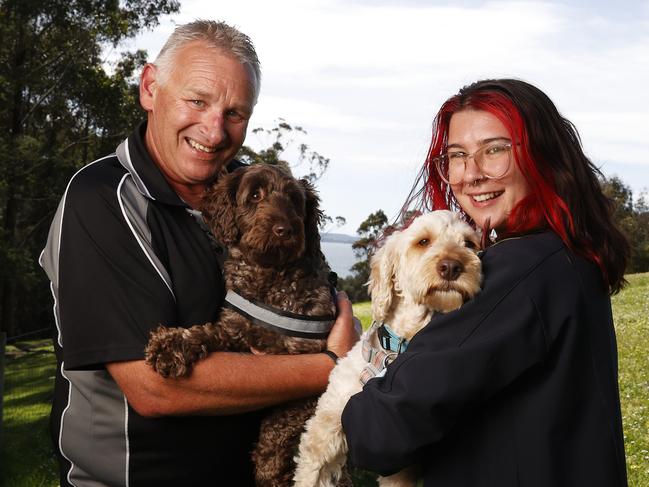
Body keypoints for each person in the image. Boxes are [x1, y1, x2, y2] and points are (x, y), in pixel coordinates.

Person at [40, 20, 358, 487]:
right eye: (197, 101)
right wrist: (330, 367)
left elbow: (315, 285)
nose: (213, 131)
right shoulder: (103, 200)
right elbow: (155, 387)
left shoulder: (244, 189)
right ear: (150, 88)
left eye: (235, 113)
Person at [342, 78, 629, 486]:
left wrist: (352, 364)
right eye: (457, 156)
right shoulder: (567, 257)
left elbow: (379, 434)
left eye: (494, 150)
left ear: (541, 156)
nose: (471, 174)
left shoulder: (516, 271)